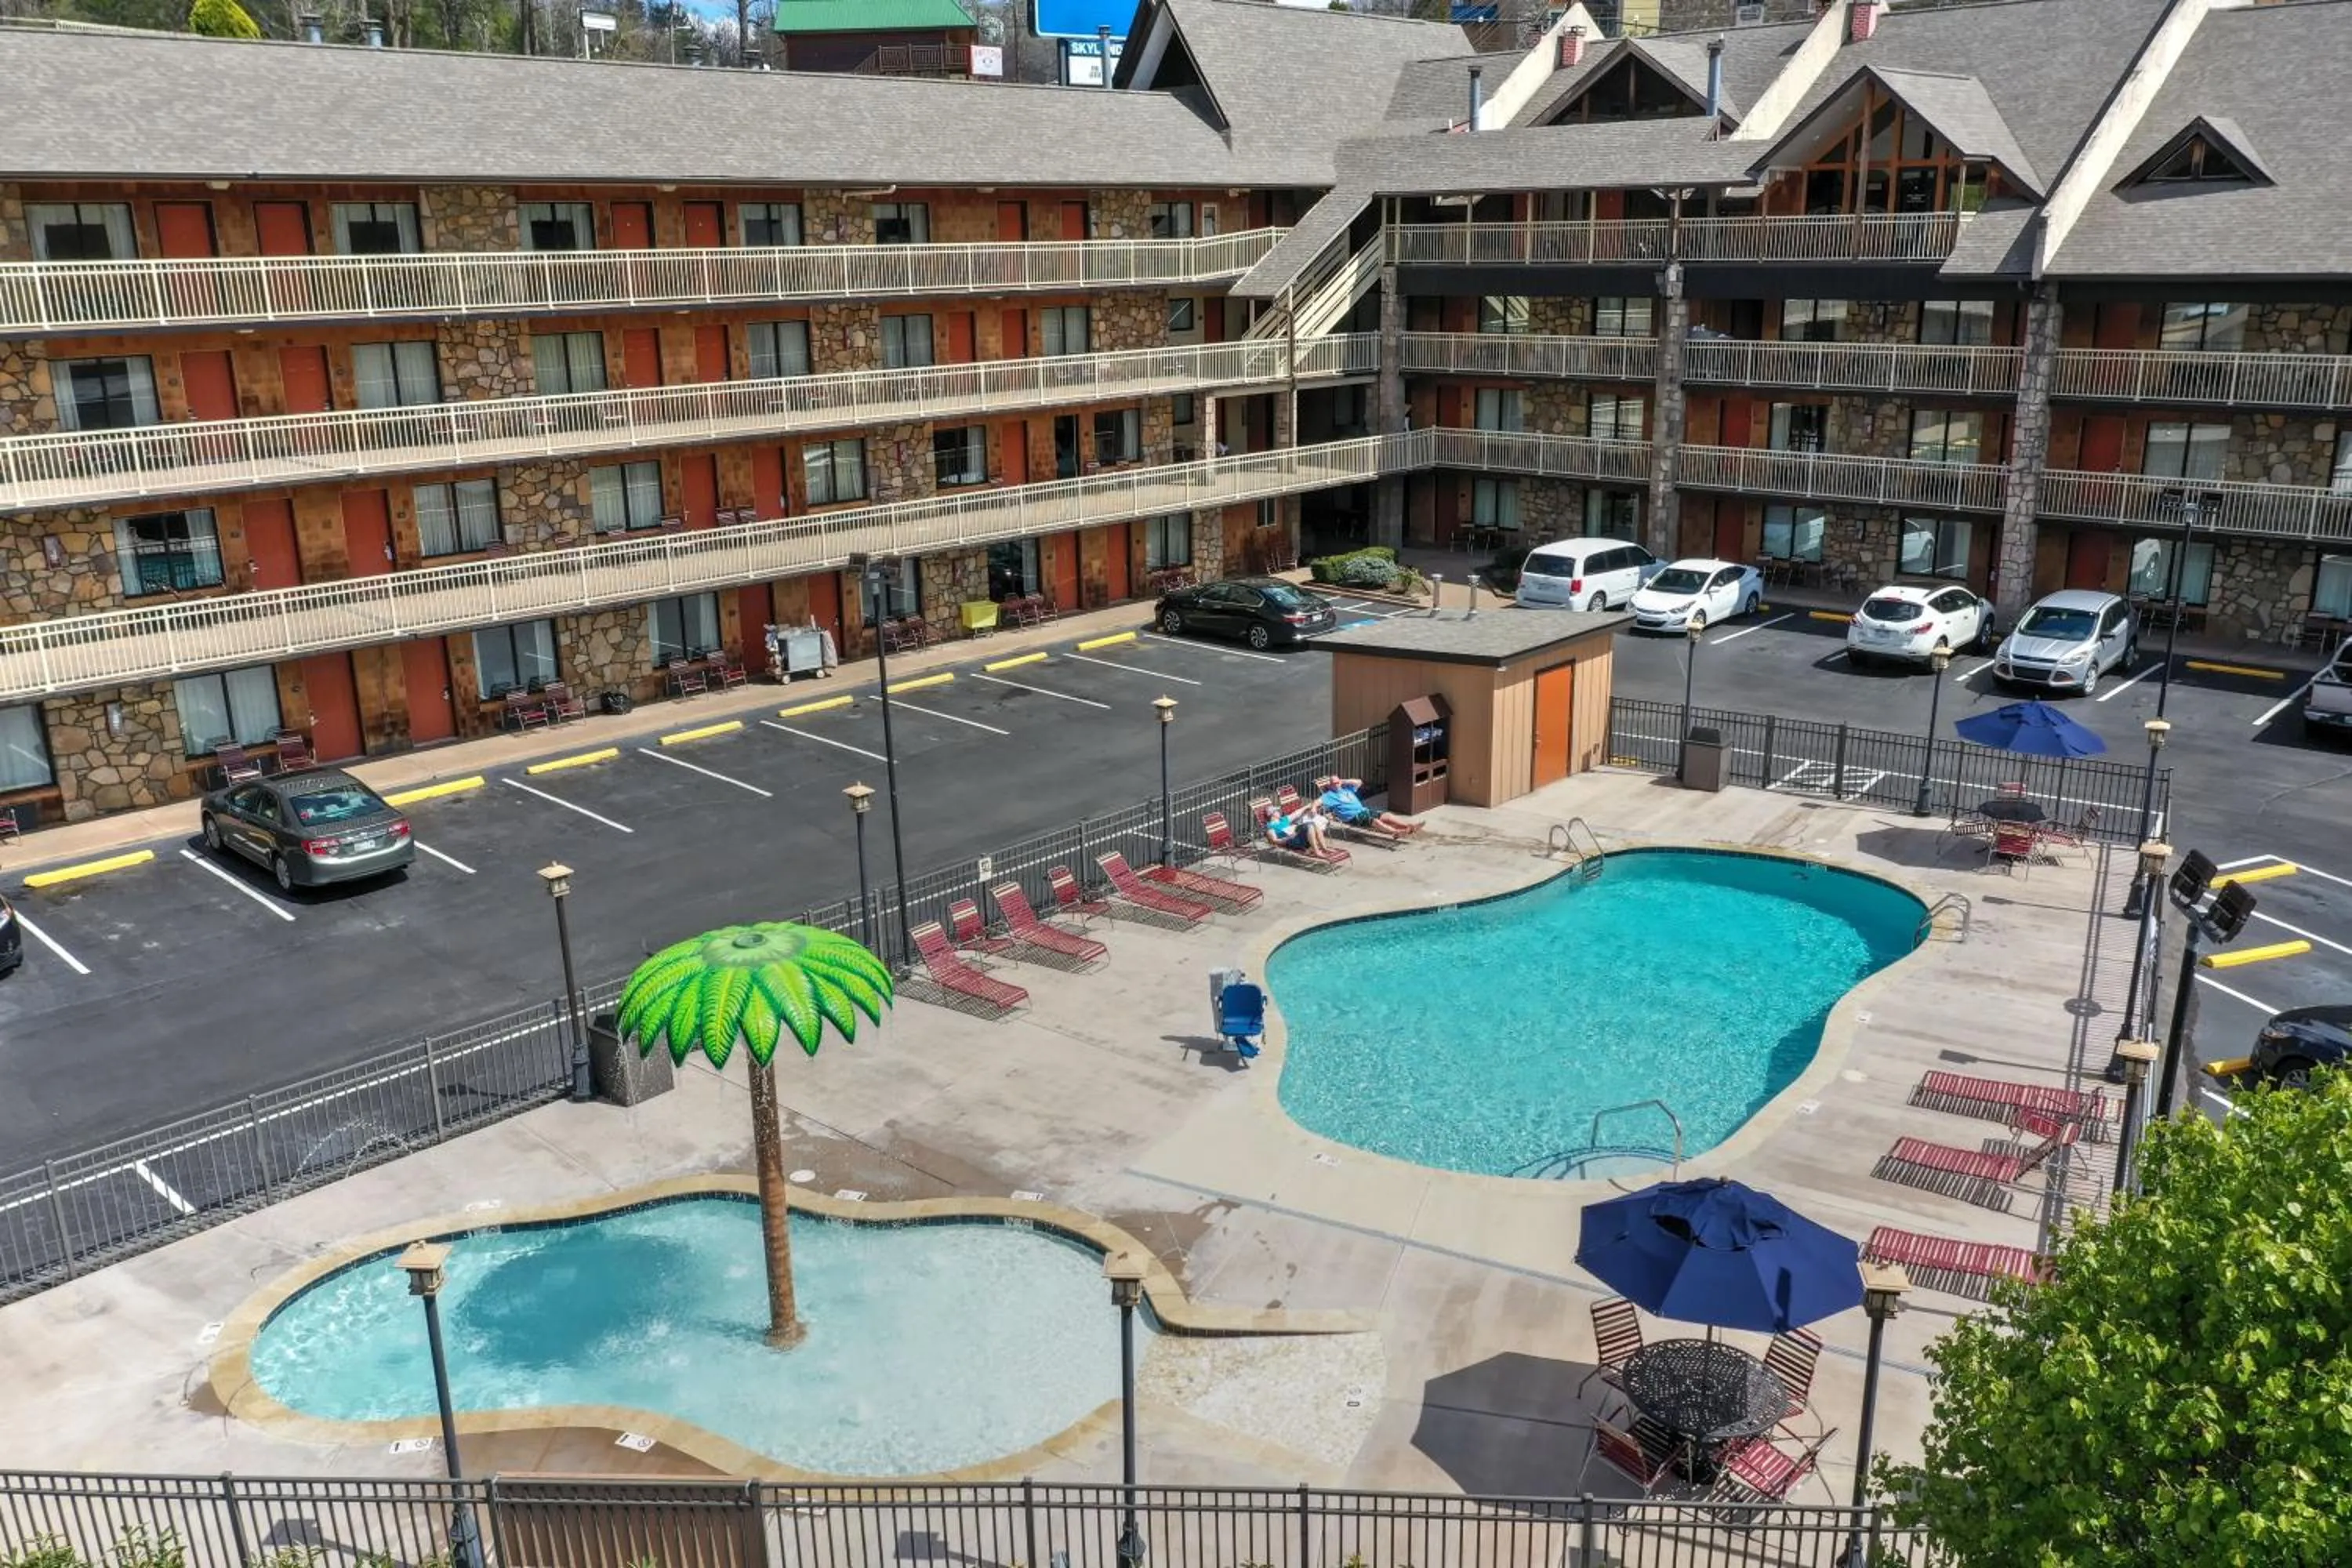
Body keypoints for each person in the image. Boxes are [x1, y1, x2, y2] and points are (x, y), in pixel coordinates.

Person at [1317, 777, 1418, 839]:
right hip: (1353, 817)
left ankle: (1409, 826)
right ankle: (1396, 832)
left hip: (1363, 811)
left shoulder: (1346, 789)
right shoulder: (1330, 795)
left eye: (1337, 782)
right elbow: (1318, 802)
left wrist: (1344, 781)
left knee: (1387, 815)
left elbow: (1359, 782)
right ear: (1330, 786)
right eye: (1334, 783)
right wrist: (1313, 808)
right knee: (1375, 822)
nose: (1337, 784)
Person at [1264, 804, 1329, 856]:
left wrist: (1309, 805)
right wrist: (1288, 838)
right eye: (1277, 811)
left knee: (1313, 824)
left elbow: (1296, 813)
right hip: (1291, 841)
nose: (1279, 812)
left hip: (1297, 836)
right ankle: (1316, 851)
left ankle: (1324, 848)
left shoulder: (1284, 819)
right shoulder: (1270, 827)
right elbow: (1275, 841)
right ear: (1272, 814)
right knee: (1309, 825)